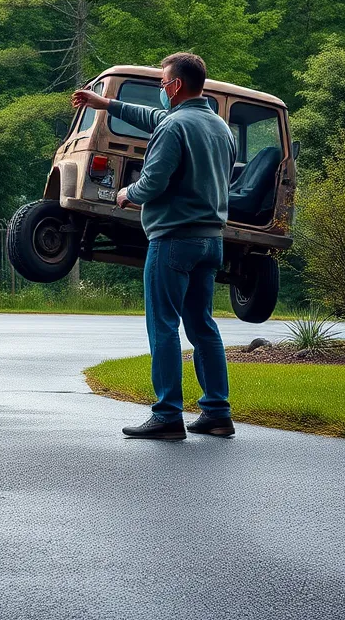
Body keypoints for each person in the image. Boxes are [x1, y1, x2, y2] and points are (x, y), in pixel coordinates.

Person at [72, 53, 237, 441]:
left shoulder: (174, 127)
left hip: (173, 240)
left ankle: (167, 416)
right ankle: (217, 412)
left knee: (163, 326)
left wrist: (126, 193)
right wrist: (106, 104)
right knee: (203, 327)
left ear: (176, 86)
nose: (161, 91)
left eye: (163, 84)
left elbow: (153, 183)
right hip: (211, 241)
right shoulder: (220, 128)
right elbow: (152, 117)